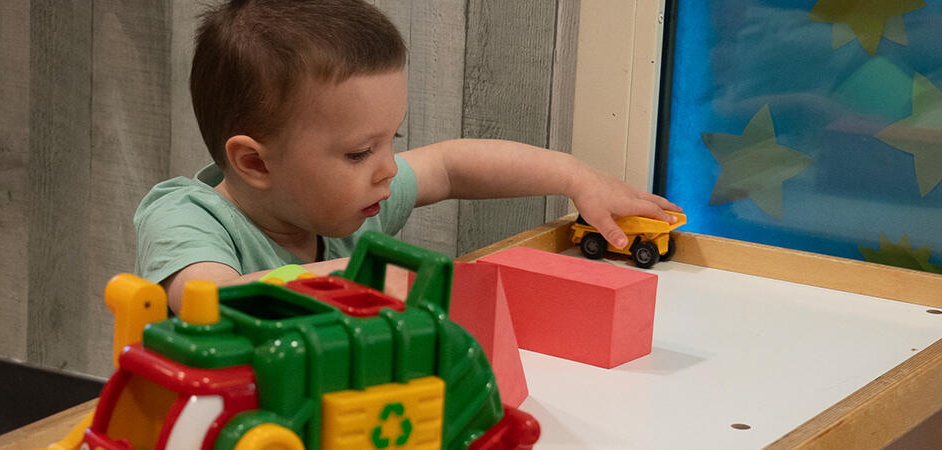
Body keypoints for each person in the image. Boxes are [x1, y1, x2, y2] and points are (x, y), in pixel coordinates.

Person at [136, 0, 681, 308]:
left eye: (390, 141)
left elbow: (449, 164)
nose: (387, 168)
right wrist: (361, 274)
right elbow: (212, 301)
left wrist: (573, 175)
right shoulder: (185, 217)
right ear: (255, 163)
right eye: (357, 152)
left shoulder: (345, 202)